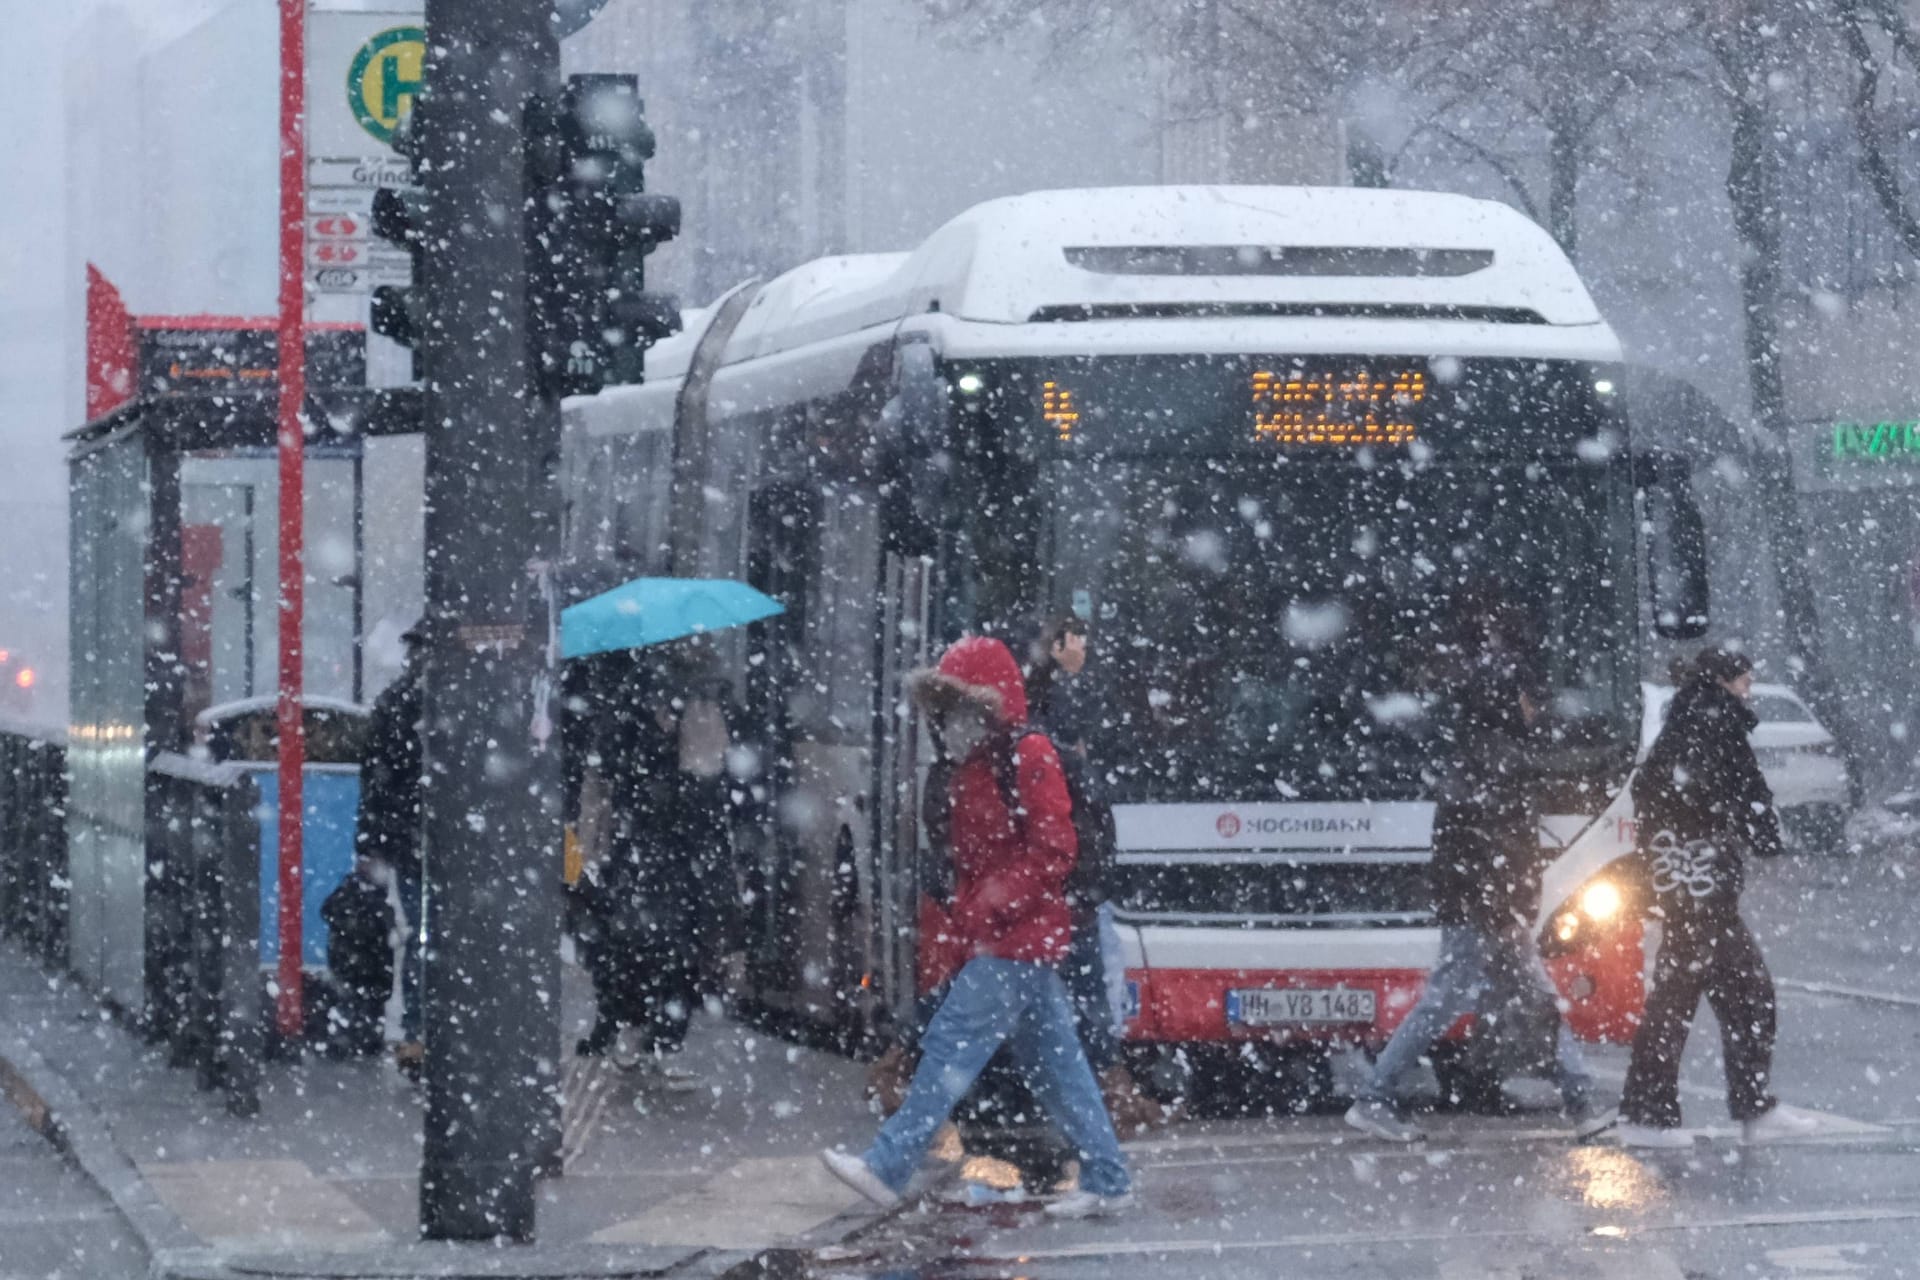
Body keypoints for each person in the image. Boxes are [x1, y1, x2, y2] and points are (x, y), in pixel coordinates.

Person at [821, 636, 1134, 1219]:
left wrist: (991, 904)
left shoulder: (1026, 754)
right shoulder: (973, 767)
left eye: (960, 709)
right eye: (942, 711)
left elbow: (1055, 849)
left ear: (992, 707)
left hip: (1017, 939)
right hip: (1009, 939)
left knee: (948, 1048)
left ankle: (888, 1165)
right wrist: (976, 914)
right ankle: (1109, 1177)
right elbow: (974, 857)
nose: (950, 724)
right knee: (1059, 1067)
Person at [1345, 657, 1615, 1143]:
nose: (1535, 710)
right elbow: (1492, 848)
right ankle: (1375, 1096)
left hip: (1482, 904)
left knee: (1520, 997)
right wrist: (1507, 908)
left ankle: (1581, 1099)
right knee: (1466, 999)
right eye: (1528, 700)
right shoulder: (1496, 760)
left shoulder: (1478, 756)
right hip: (1486, 909)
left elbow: (1479, 846)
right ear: (1508, 704)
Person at [1616, 645, 1816, 1148]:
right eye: (1745, 681)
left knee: (1721, 996)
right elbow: (1746, 795)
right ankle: (1656, 1116)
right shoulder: (1716, 723)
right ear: (1726, 683)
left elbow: (1654, 794)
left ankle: (1728, 1109)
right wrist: (1759, 835)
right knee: (1716, 998)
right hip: (1702, 889)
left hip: (1692, 887)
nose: (1749, 691)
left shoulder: (1683, 724)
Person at [1028, 614, 1161, 1131]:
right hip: (1069, 897)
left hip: (1069, 894)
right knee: (1079, 1002)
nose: (1084, 647)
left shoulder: (1046, 725)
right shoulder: (1059, 747)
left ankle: (1094, 1105)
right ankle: (1099, 1103)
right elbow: (1074, 824)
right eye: (1077, 639)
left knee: (1062, 1004)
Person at [355, 623, 426, 1080]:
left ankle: (417, 1034)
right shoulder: (468, 701)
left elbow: (375, 782)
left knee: (422, 936)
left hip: (413, 839)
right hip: (437, 840)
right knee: (432, 936)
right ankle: (426, 1030)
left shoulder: (394, 703)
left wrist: (373, 841)